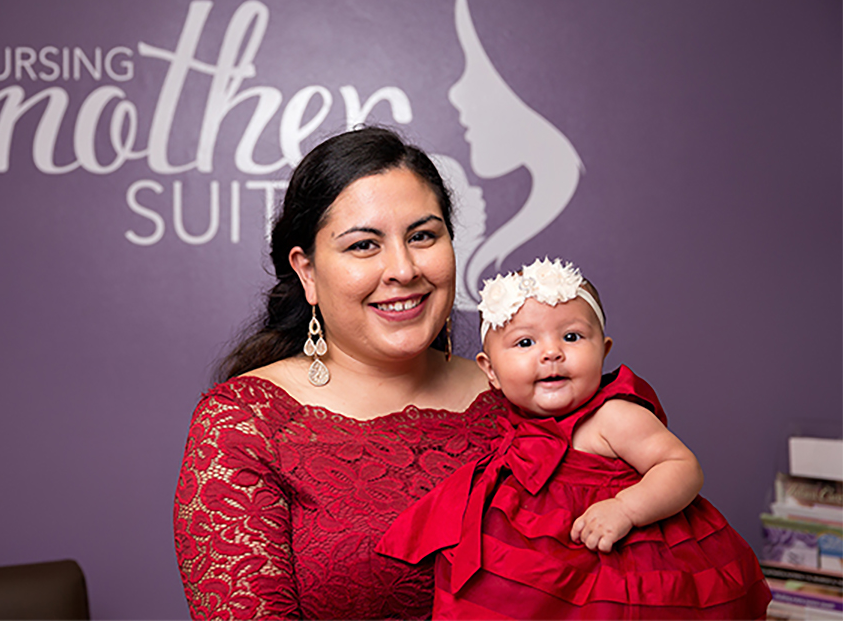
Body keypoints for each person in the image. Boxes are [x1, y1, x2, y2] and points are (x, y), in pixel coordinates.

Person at [173, 127, 503, 619]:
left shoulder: (521, 394)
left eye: (422, 236)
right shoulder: (246, 423)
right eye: (364, 246)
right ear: (307, 272)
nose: (403, 268)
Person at [378, 257, 771, 619]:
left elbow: (682, 467)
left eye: (572, 337)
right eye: (525, 342)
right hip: (545, 573)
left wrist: (626, 509)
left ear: (604, 350)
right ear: (491, 371)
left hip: (625, 572)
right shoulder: (503, 423)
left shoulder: (612, 416)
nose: (551, 353)